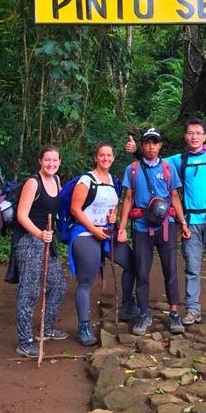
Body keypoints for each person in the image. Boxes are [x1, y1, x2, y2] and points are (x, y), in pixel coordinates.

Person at [126, 118, 206, 329]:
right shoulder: (180, 160)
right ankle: (193, 309)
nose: (194, 136)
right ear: (185, 136)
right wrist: (135, 152)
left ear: (205, 136)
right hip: (190, 220)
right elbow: (153, 161)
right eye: (190, 133)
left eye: (198, 133)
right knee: (192, 267)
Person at [118, 128, 189, 336]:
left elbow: (174, 196)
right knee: (142, 271)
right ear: (142, 145)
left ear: (160, 146)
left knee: (171, 270)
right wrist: (121, 228)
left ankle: (174, 313)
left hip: (166, 226)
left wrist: (183, 222)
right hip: (141, 227)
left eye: (155, 143)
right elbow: (128, 199)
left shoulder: (168, 169)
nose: (151, 147)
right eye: (147, 143)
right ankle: (143, 313)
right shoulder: (132, 169)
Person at [10, 145, 68, 359]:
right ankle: (25, 342)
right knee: (30, 291)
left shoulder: (57, 180)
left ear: (59, 162)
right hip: (29, 241)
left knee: (59, 285)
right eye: (47, 160)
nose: (51, 164)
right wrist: (39, 234)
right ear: (40, 161)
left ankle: (47, 328)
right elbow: (22, 216)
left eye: (55, 160)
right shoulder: (33, 182)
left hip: (46, 241)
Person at [68, 143, 124, 346]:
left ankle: (128, 306)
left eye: (109, 155)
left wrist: (113, 215)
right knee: (86, 280)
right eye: (102, 155)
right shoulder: (86, 180)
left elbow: (114, 206)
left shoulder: (113, 181)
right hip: (85, 233)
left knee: (131, 261)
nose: (106, 158)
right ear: (96, 158)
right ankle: (83, 326)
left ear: (113, 158)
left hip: (105, 232)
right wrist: (93, 229)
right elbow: (75, 209)